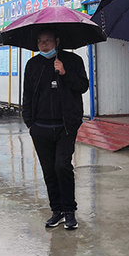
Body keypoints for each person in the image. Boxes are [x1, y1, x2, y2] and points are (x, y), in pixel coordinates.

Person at [22, 28, 89, 230]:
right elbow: (27, 94)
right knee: (49, 170)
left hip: (65, 126)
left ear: (57, 41)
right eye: (40, 41)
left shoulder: (73, 61)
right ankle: (56, 210)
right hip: (40, 127)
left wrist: (65, 73)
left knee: (62, 166)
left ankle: (69, 211)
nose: (44, 45)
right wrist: (29, 122)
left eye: (48, 41)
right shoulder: (33, 65)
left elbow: (83, 86)